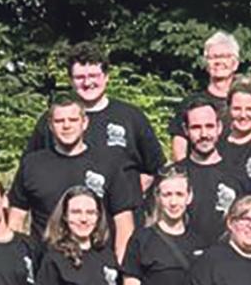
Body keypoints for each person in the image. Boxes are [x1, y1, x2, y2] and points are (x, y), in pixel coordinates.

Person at [10, 93, 141, 259]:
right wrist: (17, 262)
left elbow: (123, 223)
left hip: (97, 265)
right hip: (44, 265)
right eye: (59, 121)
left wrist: (121, 267)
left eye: (73, 120)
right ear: (50, 125)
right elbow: (16, 219)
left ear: (84, 123)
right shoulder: (32, 164)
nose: (66, 126)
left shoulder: (108, 164)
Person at [24, 43, 165, 195]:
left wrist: (136, 191)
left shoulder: (131, 117)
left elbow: (158, 169)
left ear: (106, 77)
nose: (87, 83)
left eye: (93, 76)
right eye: (79, 77)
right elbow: (29, 170)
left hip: (123, 209)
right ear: (70, 80)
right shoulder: (54, 120)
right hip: (64, 208)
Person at [180, 97, 251, 247]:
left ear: (219, 127)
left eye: (209, 126)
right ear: (185, 130)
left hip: (227, 257)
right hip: (182, 257)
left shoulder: (240, 176)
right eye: (196, 127)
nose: (204, 134)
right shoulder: (174, 176)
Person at [169, 31, 243, 161]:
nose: (218, 62)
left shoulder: (245, 105)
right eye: (212, 57)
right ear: (206, 64)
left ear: (235, 64)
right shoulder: (190, 103)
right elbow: (179, 146)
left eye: (224, 56)